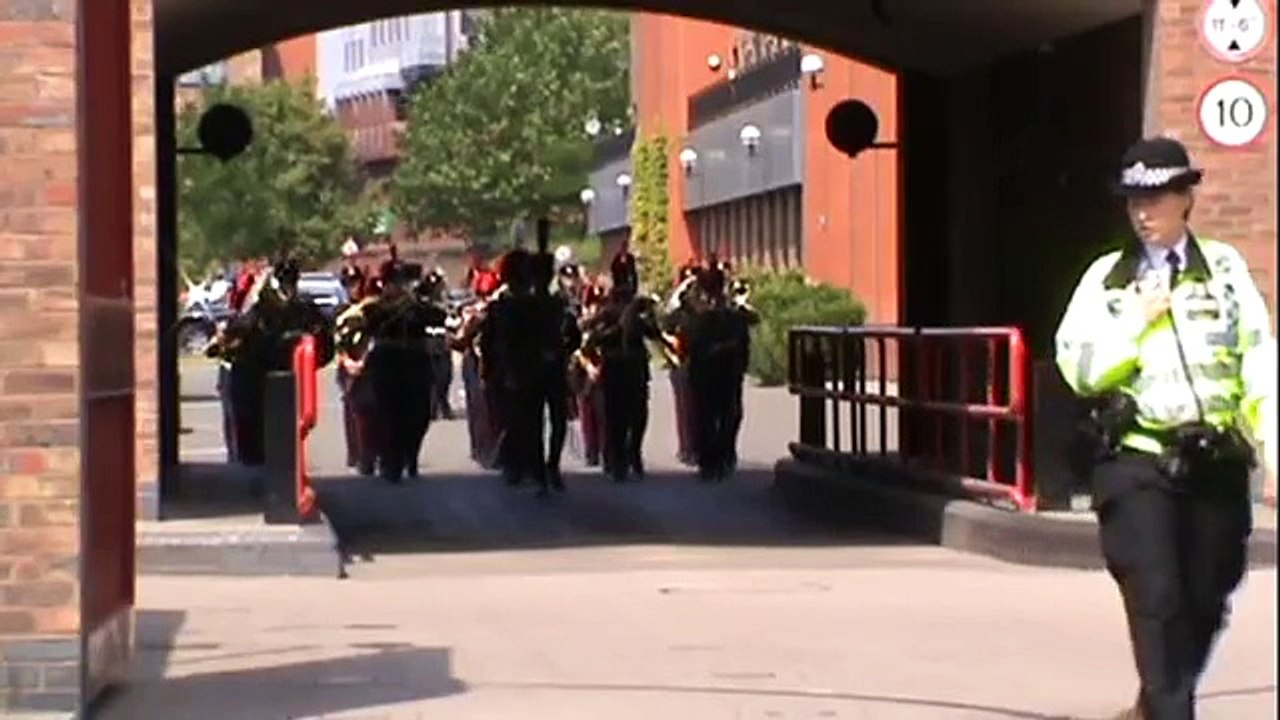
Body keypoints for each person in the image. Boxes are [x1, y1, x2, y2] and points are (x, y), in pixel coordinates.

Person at [1054, 137, 1276, 720]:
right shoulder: (1108, 279)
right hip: (1137, 463)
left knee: (1207, 598)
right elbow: (1079, 367)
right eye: (1133, 201)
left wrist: (1275, 452)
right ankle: (1171, 710)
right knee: (1156, 599)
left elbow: (1258, 362)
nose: (1142, 213)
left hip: (1213, 463)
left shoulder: (1225, 270)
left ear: (1186, 199)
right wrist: (1134, 321)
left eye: (1155, 198)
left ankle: (1156, 704)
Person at [362, 263, 444, 482]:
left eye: (401, 283)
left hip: (415, 360)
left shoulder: (416, 305)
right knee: (388, 413)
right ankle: (391, 461)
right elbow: (370, 324)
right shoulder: (376, 307)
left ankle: (411, 454)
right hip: (387, 360)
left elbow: (438, 316)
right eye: (394, 283)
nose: (399, 287)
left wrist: (416, 303)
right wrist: (397, 305)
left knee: (419, 413)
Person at [685, 263, 755, 481]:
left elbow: (694, 348)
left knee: (717, 416)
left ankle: (715, 456)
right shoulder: (711, 317)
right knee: (720, 416)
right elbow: (742, 346)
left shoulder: (721, 316)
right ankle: (717, 456)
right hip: (718, 374)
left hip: (719, 374)